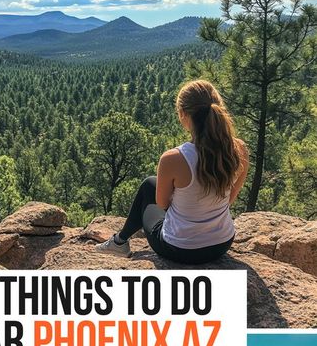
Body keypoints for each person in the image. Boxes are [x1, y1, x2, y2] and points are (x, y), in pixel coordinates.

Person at [96, 79, 249, 264]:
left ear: (183, 114)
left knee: (148, 187)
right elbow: (228, 199)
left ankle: (119, 242)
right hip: (221, 243)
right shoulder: (239, 150)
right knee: (152, 182)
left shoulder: (173, 158)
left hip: (180, 249)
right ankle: (119, 242)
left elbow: (161, 204)